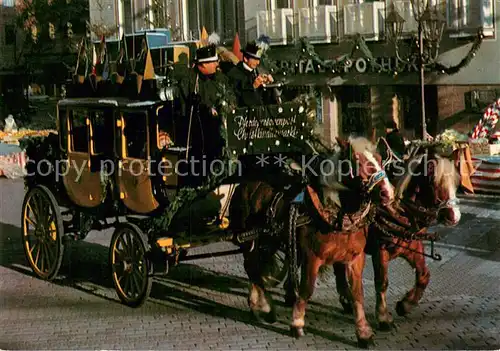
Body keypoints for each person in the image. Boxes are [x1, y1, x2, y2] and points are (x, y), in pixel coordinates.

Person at [177, 44, 232, 187]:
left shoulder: (220, 78)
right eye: (213, 62)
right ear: (203, 65)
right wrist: (207, 108)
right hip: (197, 136)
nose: (217, 64)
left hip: (219, 132)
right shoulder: (189, 80)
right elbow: (187, 106)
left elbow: (230, 96)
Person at [226, 41, 275, 107]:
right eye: (255, 59)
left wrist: (268, 85)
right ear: (246, 59)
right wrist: (253, 86)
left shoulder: (258, 71)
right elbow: (238, 96)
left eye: (258, 59)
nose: (257, 63)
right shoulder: (234, 74)